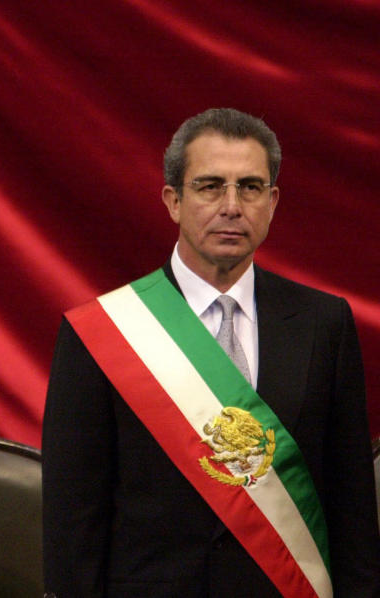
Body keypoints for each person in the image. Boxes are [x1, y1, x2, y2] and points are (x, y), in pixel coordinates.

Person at [42, 108, 380, 597]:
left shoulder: (324, 323)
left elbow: (351, 506)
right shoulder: (101, 332)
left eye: (250, 187)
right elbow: (73, 520)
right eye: (209, 186)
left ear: (272, 201)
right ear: (173, 201)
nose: (231, 206)